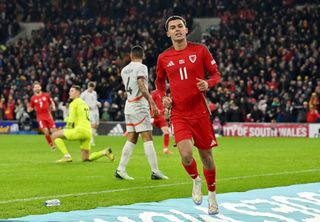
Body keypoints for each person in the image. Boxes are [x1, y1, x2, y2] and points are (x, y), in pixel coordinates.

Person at [155, 16, 221, 215]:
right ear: (168, 33)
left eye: (180, 27)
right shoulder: (163, 57)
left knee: (207, 157)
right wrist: (163, 96)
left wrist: (207, 83)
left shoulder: (200, 50)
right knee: (185, 155)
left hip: (200, 112)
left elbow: (216, 75)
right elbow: (159, 82)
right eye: (172, 28)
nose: (176, 30)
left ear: (186, 30)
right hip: (179, 113)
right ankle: (195, 180)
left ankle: (212, 195)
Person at [114, 45, 168, 180]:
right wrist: (152, 102)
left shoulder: (124, 70)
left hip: (129, 104)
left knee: (132, 137)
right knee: (147, 137)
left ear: (131, 56)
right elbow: (141, 84)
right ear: (142, 56)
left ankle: (120, 169)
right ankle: (155, 171)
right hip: (139, 105)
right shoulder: (142, 67)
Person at [50, 85, 114, 163]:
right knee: (86, 158)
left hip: (80, 130)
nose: (69, 93)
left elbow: (71, 120)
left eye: (71, 91)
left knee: (54, 135)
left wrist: (66, 129)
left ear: (77, 93)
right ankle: (104, 152)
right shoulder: (84, 103)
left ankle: (66, 156)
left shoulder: (74, 103)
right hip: (88, 132)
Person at [28, 81, 56, 150]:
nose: (37, 88)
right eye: (35, 87)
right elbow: (30, 107)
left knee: (54, 132)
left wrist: (53, 106)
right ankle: (51, 145)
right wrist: (29, 109)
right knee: (46, 132)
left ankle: (58, 143)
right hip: (40, 117)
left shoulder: (46, 95)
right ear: (33, 89)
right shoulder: (33, 98)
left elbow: (51, 102)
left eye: (38, 87)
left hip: (48, 116)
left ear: (40, 87)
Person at [150, 89, 172, 154]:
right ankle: (149, 150)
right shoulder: (154, 93)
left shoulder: (164, 93)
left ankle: (165, 149)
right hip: (153, 115)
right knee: (147, 134)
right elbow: (149, 102)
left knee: (166, 132)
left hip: (160, 116)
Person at [80, 81, 101, 146]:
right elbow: (80, 102)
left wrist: (98, 103)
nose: (92, 90)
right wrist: (85, 106)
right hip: (89, 111)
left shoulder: (94, 93)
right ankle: (91, 140)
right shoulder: (84, 94)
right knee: (93, 124)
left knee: (96, 125)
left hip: (96, 110)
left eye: (93, 88)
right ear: (88, 87)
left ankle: (91, 135)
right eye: (91, 88)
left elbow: (95, 100)